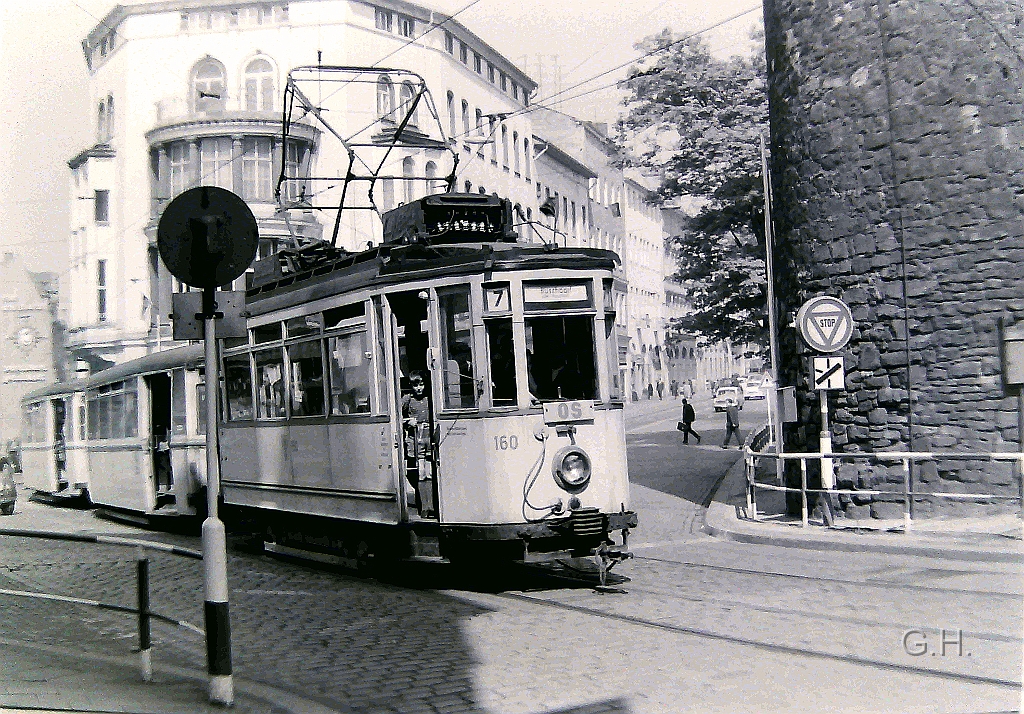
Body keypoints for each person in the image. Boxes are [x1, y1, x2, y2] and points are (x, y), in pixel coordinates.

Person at [401, 371, 435, 518]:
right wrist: (408, 421)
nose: (419, 388)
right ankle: (424, 508)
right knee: (421, 473)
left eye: (421, 384)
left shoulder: (430, 399)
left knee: (430, 473)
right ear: (411, 386)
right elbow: (397, 417)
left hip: (429, 440)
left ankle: (433, 507)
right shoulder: (407, 399)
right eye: (416, 385)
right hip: (416, 441)